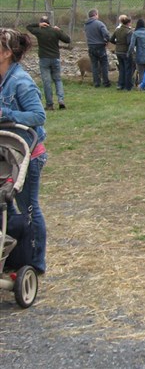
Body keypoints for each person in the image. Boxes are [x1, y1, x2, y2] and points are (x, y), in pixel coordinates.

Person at [0, 28, 48, 274]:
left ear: (7, 52)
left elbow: (38, 116)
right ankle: (15, 257)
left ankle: (35, 263)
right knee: (7, 208)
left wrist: (6, 114)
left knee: (28, 207)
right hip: (7, 154)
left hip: (28, 155)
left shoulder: (20, 81)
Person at [26, 15, 70, 109]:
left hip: (44, 59)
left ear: (42, 22)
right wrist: (60, 30)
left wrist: (38, 25)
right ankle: (61, 100)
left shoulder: (39, 31)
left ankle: (49, 104)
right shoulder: (55, 31)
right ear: (49, 23)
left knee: (47, 82)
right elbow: (67, 40)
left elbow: (28, 26)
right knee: (58, 80)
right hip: (55, 58)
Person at [84, 8, 112, 88]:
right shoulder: (99, 24)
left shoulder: (86, 25)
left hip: (91, 46)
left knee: (94, 65)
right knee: (104, 64)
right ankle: (106, 82)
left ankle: (96, 82)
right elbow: (106, 34)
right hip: (100, 46)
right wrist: (106, 40)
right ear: (95, 14)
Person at [110, 15, 134, 90]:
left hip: (118, 51)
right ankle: (128, 85)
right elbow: (129, 42)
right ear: (128, 23)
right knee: (128, 69)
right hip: (125, 52)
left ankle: (120, 84)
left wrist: (117, 44)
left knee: (121, 68)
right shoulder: (129, 31)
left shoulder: (117, 30)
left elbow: (111, 39)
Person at [128, 19, 145, 85]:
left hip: (139, 54)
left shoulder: (135, 33)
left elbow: (132, 45)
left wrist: (129, 53)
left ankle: (142, 85)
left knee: (141, 72)